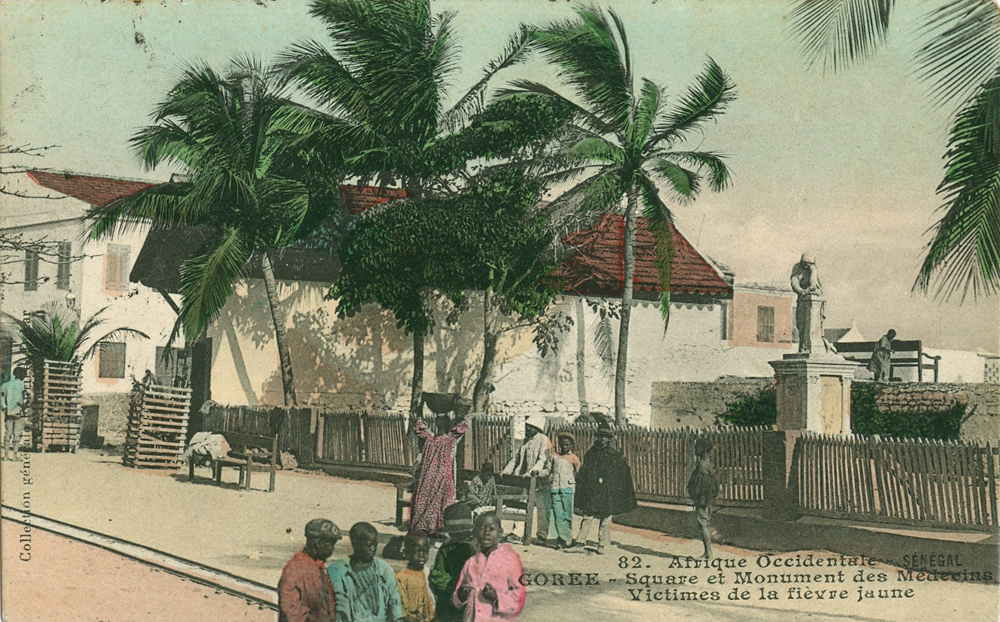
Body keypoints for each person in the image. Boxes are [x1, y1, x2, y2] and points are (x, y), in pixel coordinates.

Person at [572, 420, 637, 555]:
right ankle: (580, 543)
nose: (602, 439)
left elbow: (621, 473)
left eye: (605, 437)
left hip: (607, 492)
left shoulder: (613, 455)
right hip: (592, 491)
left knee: (605, 519)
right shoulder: (591, 453)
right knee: (587, 516)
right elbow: (585, 470)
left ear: (608, 439)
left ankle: (601, 544)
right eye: (600, 436)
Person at [452, 512, 525, 621]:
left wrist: (496, 597)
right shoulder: (471, 562)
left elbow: (518, 598)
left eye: (491, 529)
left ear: (500, 532)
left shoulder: (510, 561)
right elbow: (456, 599)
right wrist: (461, 595)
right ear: (475, 532)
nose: (486, 532)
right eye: (482, 528)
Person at [328, 522, 404, 622]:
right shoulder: (338, 571)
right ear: (355, 544)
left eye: (375, 544)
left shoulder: (383, 570)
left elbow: (395, 603)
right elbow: (337, 609)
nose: (373, 549)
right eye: (369, 545)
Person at [410, 415, 470, 535]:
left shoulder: (428, 438)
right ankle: (437, 527)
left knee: (425, 498)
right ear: (448, 425)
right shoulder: (449, 439)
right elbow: (463, 426)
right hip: (443, 475)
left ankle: (424, 526)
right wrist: (464, 415)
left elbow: (418, 427)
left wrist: (418, 415)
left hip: (427, 476)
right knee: (443, 500)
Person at [501, 414, 551, 545]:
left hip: (540, 481)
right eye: (526, 426)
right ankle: (517, 533)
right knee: (522, 506)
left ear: (536, 428)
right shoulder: (525, 441)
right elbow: (516, 458)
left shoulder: (544, 440)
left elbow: (542, 459)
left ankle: (541, 536)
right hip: (525, 481)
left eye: (529, 427)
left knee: (542, 509)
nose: (527, 429)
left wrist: (532, 472)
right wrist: (506, 471)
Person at [278, 518, 341, 622]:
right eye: (330, 545)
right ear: (319, 543)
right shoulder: (295, 569)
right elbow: (290, 614)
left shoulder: (316, 567)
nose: (332, 550)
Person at [429, 504, 477, 622]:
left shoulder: (473, 549)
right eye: (455, 534)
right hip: (449, 594)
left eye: (463, 534)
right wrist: (454, 586)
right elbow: (438, 575)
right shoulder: (446, 549)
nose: (459, 537)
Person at [545, 433, 581, 550]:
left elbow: (579, 473)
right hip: (555, 489)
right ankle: (562, 538)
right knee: (558, 515)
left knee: (568, 515)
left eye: (567, 445)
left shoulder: (574, 458)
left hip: (568, 489)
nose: (564, 447)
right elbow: (547, 471)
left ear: (571, 445)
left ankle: (567, 539)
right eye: (562, 445)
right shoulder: (554, 456)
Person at [687, 437, 718, 560]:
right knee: (703, 524)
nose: (695, 450)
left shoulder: (702, 465)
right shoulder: (707, 463)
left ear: (703, 449)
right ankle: (707, 553)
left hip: (703, 500)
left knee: (702, 524)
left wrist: (696, 495)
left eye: (697, 447)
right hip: (706, 499)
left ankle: (709, 553)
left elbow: (702, 484)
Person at [395, 534, 435, 622]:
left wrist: (430, 615)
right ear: (407, 554)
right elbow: (401, 603)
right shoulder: (401, 576)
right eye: (418, 551)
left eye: (425, 551)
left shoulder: (425, 573)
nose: (422, 555)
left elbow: (427, 599)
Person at [2, 367, 29, 461]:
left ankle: (5, 455)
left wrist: (5, 408)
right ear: (21, 375)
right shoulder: (21, 384)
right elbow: (20, 399)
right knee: (17, 435)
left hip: (8, 412)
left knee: (8, 434)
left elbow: (2, 398)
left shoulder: (5, 385)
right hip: (19, 411)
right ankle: (14, 455)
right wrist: (25, 405)